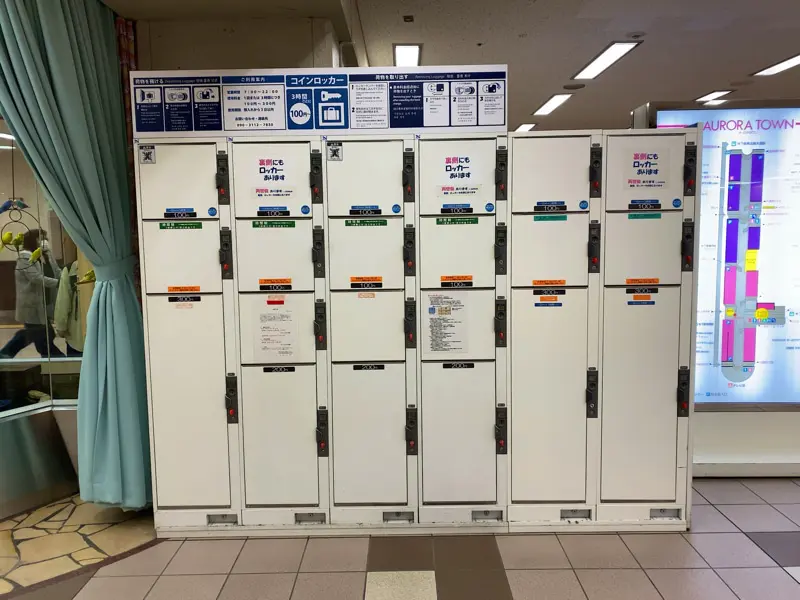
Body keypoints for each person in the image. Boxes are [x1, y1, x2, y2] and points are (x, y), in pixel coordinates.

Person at [0, 229, 65, 358]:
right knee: (41, 335)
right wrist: (58, 283)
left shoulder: (46, 255)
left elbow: (56, 271)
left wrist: (66, 277)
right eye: (40, 238)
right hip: (32, 305)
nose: (44, 242)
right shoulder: (24, 258)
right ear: (32, 241)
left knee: (37, 333)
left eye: (45, 238)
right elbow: (36, 278)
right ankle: (56, 359)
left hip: (45, 303)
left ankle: (6, 353)